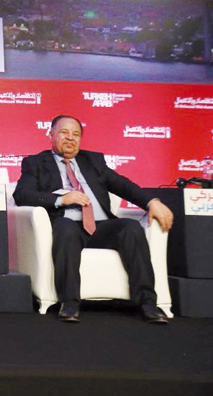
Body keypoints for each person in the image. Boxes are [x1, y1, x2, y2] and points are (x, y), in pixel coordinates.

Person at [13, 114, 173, 323]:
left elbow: (123, 185)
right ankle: (70, 303)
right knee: (66, 228)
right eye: (64, 132)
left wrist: (152, 201)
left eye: (76, 134)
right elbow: (22, 194)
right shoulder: (35, 163)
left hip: (101, 226)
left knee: (131, 228)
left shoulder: (94, 161)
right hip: (66, 223)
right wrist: (60, 200)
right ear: (51, 135)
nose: (70, 138)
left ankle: (147, 304)